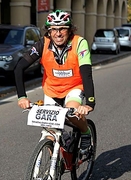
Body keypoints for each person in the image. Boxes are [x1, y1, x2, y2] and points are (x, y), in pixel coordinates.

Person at [14, 9, 96, 153]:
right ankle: (53, 169)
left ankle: (85, 133)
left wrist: (89, 103)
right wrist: (22, 97)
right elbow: (19, 68)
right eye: (54, 29)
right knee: (49, 134)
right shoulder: (42, 44)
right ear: (49, 31)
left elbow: (86, 73)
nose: (58, 33)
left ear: (69, 30)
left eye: (62, 29)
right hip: (52, 90)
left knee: (73, 113)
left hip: (74, 88)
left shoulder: (79, 43)